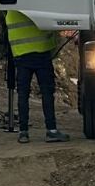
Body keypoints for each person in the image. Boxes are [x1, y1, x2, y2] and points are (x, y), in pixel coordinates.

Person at [5, 9, 68, 143]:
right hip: (41, 53)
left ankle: (23, 132)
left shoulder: (11, 10)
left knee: (23, 94)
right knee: (47, 93)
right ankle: (51, 131)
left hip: (21, 55)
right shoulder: (38, 7)